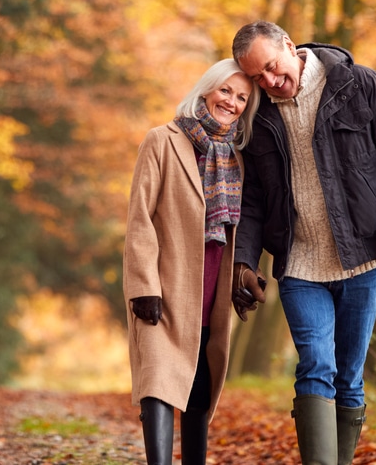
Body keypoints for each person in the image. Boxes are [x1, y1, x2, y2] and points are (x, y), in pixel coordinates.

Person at [228, 21, 376, 465]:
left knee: (350, 377)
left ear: (288, 45)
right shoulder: (258, 117)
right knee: (316, 366)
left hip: (364, 259)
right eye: (256, 78)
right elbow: (254, 199)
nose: (268, 82)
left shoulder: (359, 85)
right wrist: (243, 261)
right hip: (300, 264)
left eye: (272, 68)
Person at [123, 59, 260, 465]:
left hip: (213, 286)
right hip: (166, 284)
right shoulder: (161, 140)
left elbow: (245, 224)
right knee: (160, 381)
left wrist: (244, 274)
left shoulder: (239, 157)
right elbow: (140, 219)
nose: (231, 103)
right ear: (206, 90)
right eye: (225, 92)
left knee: (201, 383)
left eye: (242, 98)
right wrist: (143, 286)